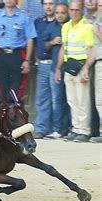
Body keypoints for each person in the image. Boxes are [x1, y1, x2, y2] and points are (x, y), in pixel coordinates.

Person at [55, 0, 94, 142]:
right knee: (72, 100)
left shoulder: (87, 27)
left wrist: (86, 68)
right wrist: (58, 68)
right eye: (72, 10)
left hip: (81, 66)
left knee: (82, 99)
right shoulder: (65, 27)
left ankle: (84, 130)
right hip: (68, 66)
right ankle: (76, 128)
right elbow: (63, 48)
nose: (74, 12)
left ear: (82, 10)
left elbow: (91, 49)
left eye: (77, 10)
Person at [0, 0, 37, 98]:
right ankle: (4, 112)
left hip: (17, 55)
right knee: (2, 90)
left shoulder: (25, 16)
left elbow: (30, 39)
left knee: (16, 92)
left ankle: (16, 112)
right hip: (0, 55)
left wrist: (27, 60)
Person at [42, 2, 71, 139]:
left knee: (71, 100)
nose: (60, 15)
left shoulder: (71, 26)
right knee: (57, 100)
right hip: (56, 69)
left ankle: (70, 128)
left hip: (72, 68)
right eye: (57, 13)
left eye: (63, 13)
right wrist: (52, 42)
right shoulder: (50, 27)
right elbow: (44, 47)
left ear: (68, 13)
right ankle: (58, 129)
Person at [33, 0, 58, 139]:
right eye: (46, 3)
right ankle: (42, 128)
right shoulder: (38, 22)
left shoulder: (61, 22)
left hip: (56, 64)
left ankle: (57, 128)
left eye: (51, 3)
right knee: (41, 98)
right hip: (42, 64)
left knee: (57, 98)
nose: (49, 6)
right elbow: (35, 42)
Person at [82, 0, 102, 143]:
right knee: (99, 101)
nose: (101, 8)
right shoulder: (97, 20)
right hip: (99, 62)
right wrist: (87, 67)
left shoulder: (96, 24)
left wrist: (98, 32)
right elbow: (95, 48)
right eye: (100, 5)